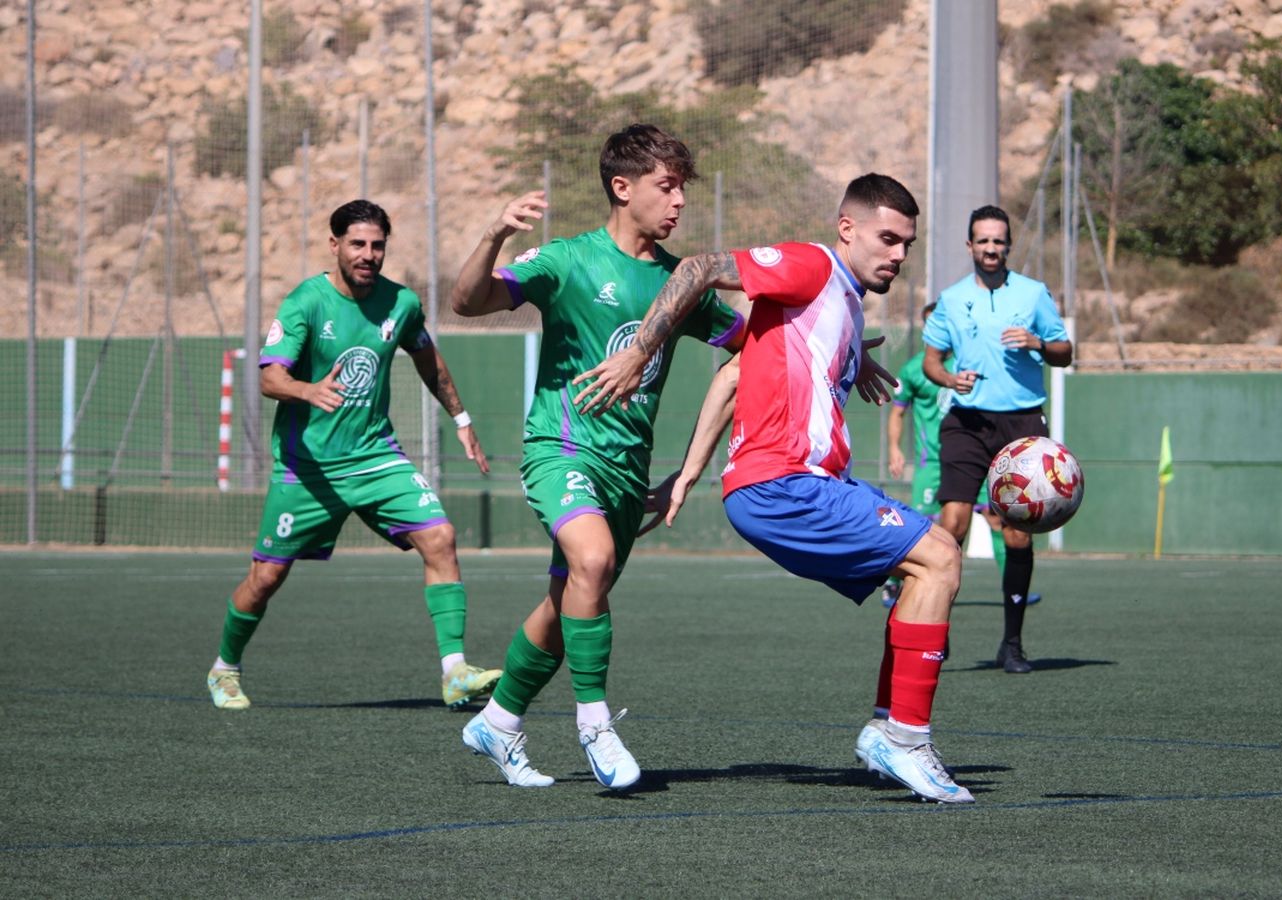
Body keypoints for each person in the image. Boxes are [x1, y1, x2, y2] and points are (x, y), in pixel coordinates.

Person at [574, 173, 975, 804]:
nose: (899, 255)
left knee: (918, 576)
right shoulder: (811, 267)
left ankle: (889, 731)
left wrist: (689, 473)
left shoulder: (836, 301)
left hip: (781, 487)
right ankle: (903, 737)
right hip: (786, 485)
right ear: (847, 229)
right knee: (942, 557)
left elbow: (733, 377)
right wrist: (640, 351)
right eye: (888, 238)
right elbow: (703, 267)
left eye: (908, 244)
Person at [449, 124, 745, 790]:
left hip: (626, 470)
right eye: (666, 188)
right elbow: (466, 302)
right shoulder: (569, 261)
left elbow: (753, 343)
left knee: (569, 600)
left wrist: (827, 335)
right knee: (592, 561)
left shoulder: (681, 285)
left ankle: (497, 721)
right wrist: (496, 234)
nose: (678, 204)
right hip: (560, 448)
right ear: (622, 188)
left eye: (681, 191)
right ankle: (595, 725)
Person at [205, 199, 500, 712]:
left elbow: (431, 363)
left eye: (378, 245)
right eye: (358, 244)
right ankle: (224, 669)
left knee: (440, 537)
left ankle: (455, 672)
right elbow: (270, 376)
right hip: (308, 468)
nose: (369, 254)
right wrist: (307, 391)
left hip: (374, 456)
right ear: (335, 244)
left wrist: (462, 420)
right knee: (266, 577)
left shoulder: (402, 304)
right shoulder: (305, 303)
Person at [922, 205, 1072, 674]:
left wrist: (1038, 344)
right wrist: (949, 380)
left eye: (998, 241)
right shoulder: (949, 298)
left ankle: (1012, 643)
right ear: (970, 246)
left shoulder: (1033, 295)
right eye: (982, 241)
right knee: (954, 525)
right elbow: (931, 362)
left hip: (1022, 425)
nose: (990, 249)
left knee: (1016, 535)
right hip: (967, 421)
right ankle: (935, 630)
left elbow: (1065, 352)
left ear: (1008, 245)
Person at [884, 302, 1039, 609]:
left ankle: (1013, 588)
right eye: (932, 327)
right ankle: (893, 582)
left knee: (997, 518)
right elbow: (897, 413)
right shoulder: (915, 368)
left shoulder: (967, 363)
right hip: (932, 462)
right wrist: (894, 448)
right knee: (925, 527)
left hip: (970, 458)